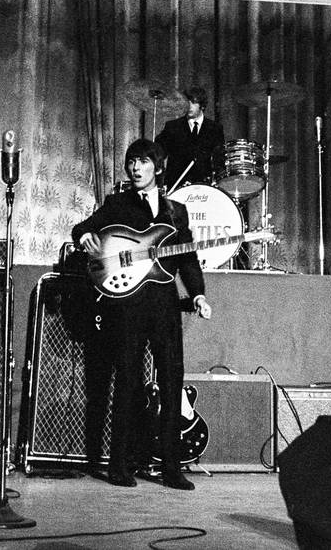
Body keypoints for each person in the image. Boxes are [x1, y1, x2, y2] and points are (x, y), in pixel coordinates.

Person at [71, 139, 212, 490]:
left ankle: (170, 468)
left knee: (171, 381)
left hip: (164, 305)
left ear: (158, 167)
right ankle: (120, 465)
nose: (135, 168)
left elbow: (188, 258)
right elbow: (82, 228)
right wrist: (86, 235)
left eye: (143, 162)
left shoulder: (176, 211)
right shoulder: (117, 204)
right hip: (128, 305)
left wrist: (197, 295)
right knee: (127, 382)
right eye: (131, 162)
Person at [155, 86, 225, 189]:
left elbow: (219, 159)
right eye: (186, 102)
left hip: (204, 188)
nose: (189, 106)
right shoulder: (172, 126)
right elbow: (159, 153)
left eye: (193, 102)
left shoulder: (215, 128)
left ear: (202, 105)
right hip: (176, 186)